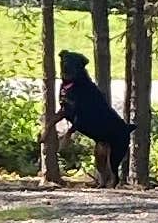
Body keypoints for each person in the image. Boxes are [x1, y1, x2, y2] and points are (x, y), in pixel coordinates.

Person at [56, 48, 132, 186]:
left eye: (70, 66)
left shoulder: (86, 90)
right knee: (101, 161)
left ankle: (111, 185)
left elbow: (83, 116)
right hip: (100, 133)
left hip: (117, 132)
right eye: (64, 64)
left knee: (111, 166)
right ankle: (103, 183)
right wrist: (49, 126)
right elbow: (65, 111)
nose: (66, 69)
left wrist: (68, 134)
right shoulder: (67, 87)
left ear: (79, 69)